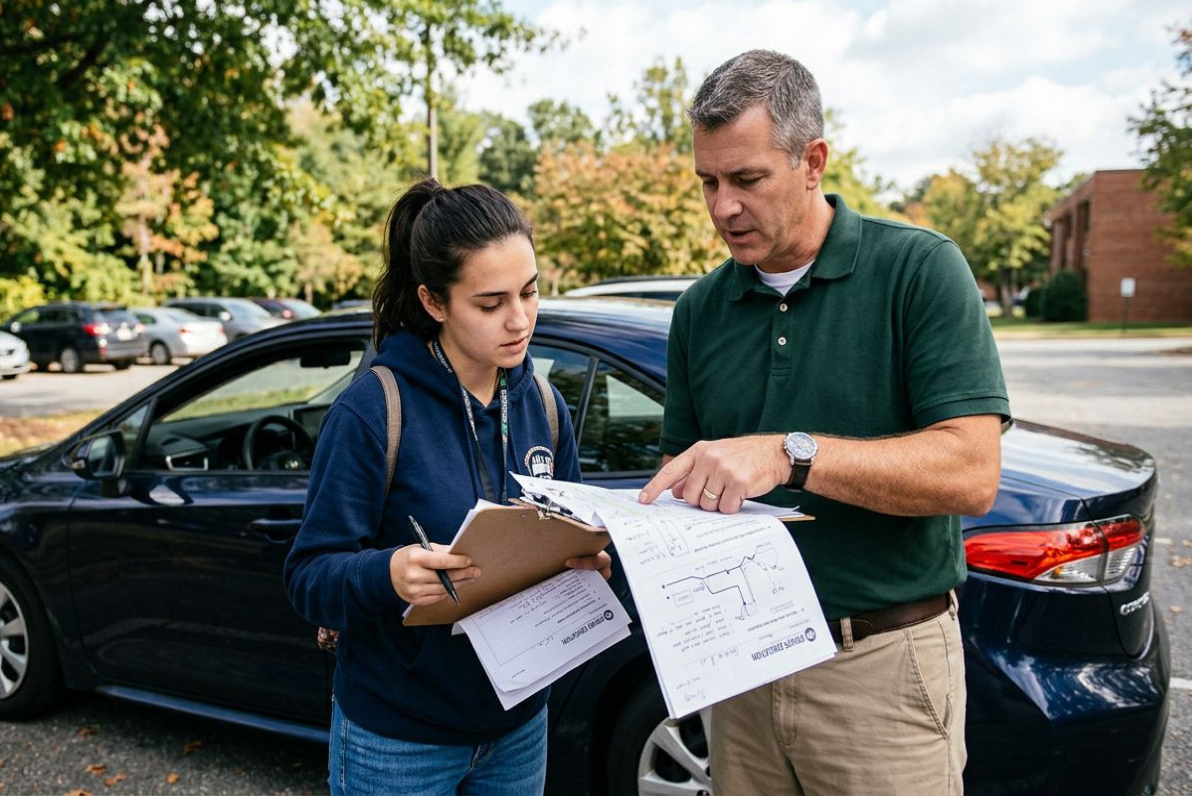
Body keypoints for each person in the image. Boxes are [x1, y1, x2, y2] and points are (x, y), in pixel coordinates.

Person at [638, 50, 1010, 795]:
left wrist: (789, 455)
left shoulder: (919, 270)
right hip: (741, 672)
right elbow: (683, 491)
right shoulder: (699, 312)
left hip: (879, 668)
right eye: (707, 182)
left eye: (746, 179)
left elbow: (972, 474)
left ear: (813, 161)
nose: (722, 208)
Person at [283, 178, 609, 796]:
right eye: (490, 304)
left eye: (530, 293)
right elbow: (308, 576)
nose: (519, 321)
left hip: (518, 726)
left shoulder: (543, 404)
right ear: (434, 302)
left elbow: (570, 534)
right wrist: (389, 573)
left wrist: (586, 564)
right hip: (399, 740)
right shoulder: (372, 412)